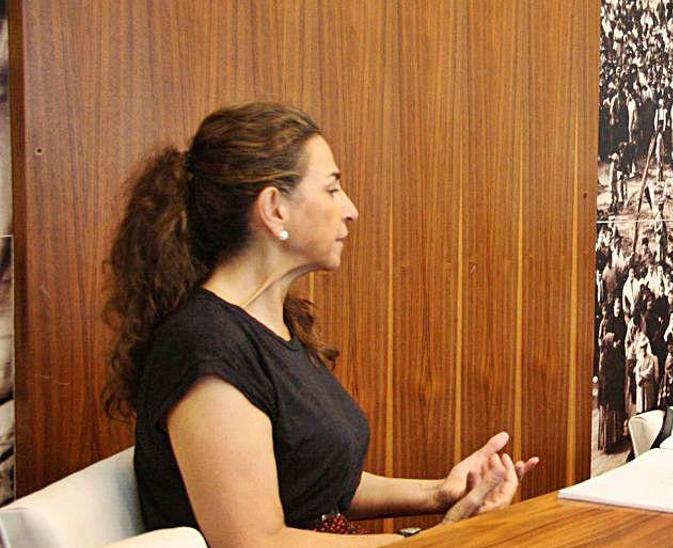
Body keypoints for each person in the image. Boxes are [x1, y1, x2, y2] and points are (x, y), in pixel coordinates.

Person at [102, 103, 538, 546]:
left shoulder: (274, 323)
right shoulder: (204, 347)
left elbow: (316, 483)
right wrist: (429, 541)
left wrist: (439, 493)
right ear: (274, 209)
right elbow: (255, 543)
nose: (350, 210)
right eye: (332, 189)